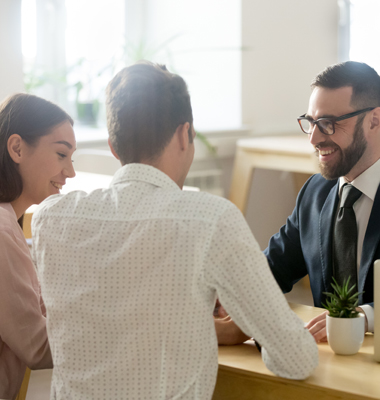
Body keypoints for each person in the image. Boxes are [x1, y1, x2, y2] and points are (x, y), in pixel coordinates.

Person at [31, 62, 318, 400]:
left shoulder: (50, 218)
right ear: (185, 135)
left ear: (113, 146)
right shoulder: (211, 220)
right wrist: (236, 326)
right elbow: (296, 358)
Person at [221, 61, 380, 345]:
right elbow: (272, 266)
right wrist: (223, 294)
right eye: (311, 123)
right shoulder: (316, 193)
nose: (315, 138)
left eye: (329, 124)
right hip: (325, 362)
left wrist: (366, 317)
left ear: (375, 120)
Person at [0, 93, 76, 399]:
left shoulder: (10, 224)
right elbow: (38, 347)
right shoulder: (3, 232)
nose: (70, 172)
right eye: (61, 155)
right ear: (17, 148)